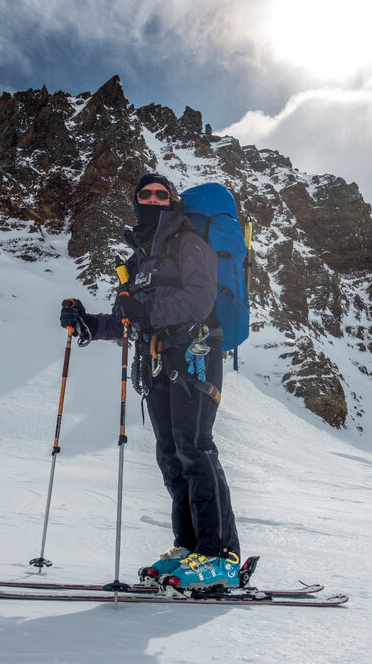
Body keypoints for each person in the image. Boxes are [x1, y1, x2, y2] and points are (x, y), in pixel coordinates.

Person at [59, 173, 241, 590]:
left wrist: (145, 316)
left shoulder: (188, 242)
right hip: (156, 363)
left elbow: (199, 299)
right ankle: (189, 548)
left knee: (195, 449)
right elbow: (127, 322)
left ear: (172, 201)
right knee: (171, 457)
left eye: (163, 193)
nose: (155, 199)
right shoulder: (138, 262)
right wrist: (88, 324)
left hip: (195, 354)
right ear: (137, 201)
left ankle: (220, 555)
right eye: (146, 194)